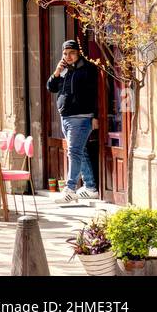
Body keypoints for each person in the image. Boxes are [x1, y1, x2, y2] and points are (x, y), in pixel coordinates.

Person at [46, 39, 100, 202]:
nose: (68, 56)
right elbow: (51, 88)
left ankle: (70, 189)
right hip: (66, 117)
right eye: (65, 53)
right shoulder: (64, 70)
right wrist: (57, 72)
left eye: (72, 53)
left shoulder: (87, 69)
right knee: (80, 151)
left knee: (74, 152)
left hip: (81, 117)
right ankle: (90, 187)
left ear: (78, 53)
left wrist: (95, 116)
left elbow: (95, 93)